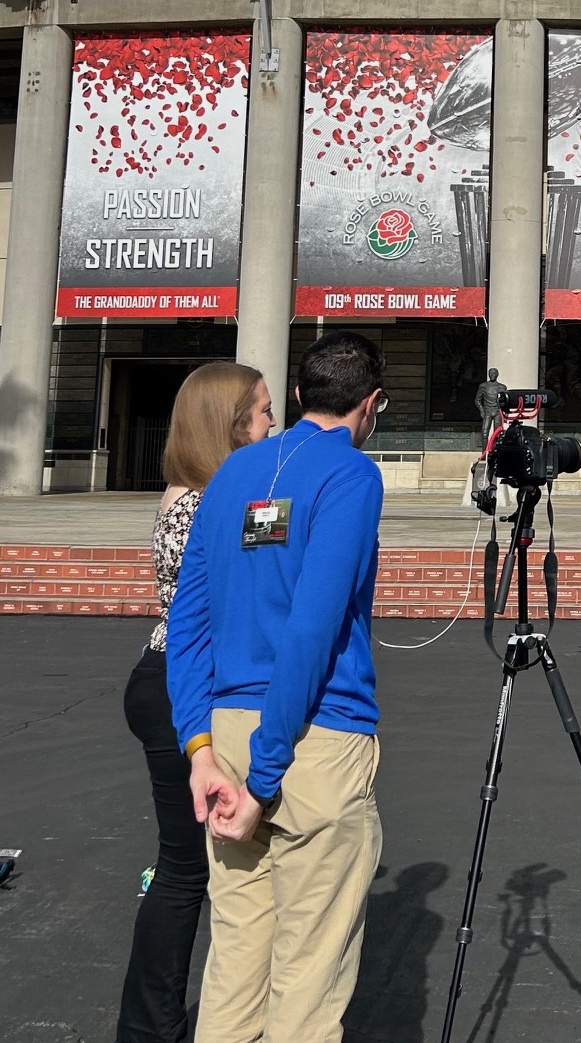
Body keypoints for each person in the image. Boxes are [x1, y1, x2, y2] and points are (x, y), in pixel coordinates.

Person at [166, 330, 387, 1043]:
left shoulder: (233, 473)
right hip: (311, 735)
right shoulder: (351, 475)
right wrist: (266, 775)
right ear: (370, 405)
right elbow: (311, 629)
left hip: (227, 732)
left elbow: (187, 622)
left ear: (297, 396)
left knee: (235, 956)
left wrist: (199, 749)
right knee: (308, 975)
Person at [117, 361, 276, 1043]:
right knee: (186, 871)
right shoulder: (207, 501)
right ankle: (153, 1028)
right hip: (187, 689)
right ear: (230, 423)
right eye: (264, 411)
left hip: (181, 680)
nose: (274, 423)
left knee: (194, 866)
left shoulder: (205, 492)